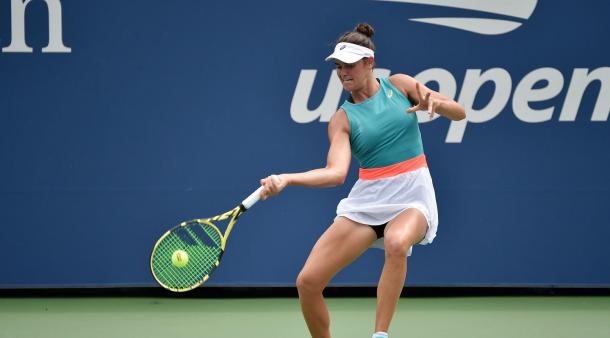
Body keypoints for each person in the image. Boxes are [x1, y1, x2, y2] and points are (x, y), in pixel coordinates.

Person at [259, 23, 465, 338]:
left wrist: (437, 104)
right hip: (368, 199)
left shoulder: (400, 84)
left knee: (397, 243)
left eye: (350, 65)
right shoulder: (342, 119)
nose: (343, 72)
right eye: (339, 67)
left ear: (369, 62)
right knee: (308, 282)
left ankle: (380, 335)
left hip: (413, 194)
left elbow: (459, 112)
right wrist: (287, 178)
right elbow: (335, 173)